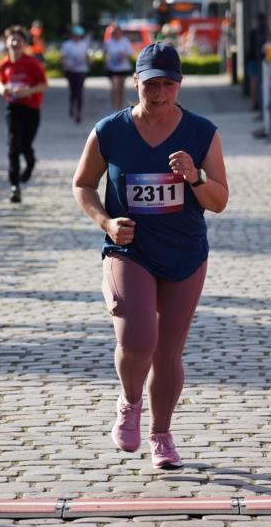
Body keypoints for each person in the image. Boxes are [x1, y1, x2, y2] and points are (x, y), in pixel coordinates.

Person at [72, 42, 229, 471]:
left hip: (185, 252)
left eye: (168, 85)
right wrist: (106, 221)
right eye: (151, 84)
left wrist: (195, 177)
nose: (159, 94)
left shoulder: (201, 132)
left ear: (178, 85)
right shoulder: (110, 130)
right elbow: (82, 184)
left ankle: (162, 434)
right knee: (139, 338)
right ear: (135, 81)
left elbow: (219, 201)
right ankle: (129, 403)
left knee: (168, 353)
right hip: (130, 249)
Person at [0, 27, 48, 204]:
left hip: (31, 109)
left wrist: (28, 91)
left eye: (19, 40)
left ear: (24, 44)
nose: (15, 43)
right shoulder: (4, 63)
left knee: (26, 145)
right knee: (13, 146)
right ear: (7, 42)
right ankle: (14, 186)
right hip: (13, 108)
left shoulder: (32, 63)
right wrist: (3, 89)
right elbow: (0, 81)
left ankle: (31, 164)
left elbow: (44, 85)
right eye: (12, 40)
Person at [61, 25, 90, 123]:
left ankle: (78, 112)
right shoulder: (67, 45)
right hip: (70, 71)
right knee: (73, 91)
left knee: (79, 91)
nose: (77, 37)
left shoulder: (84, 44)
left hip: (81, 70)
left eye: (78, 35)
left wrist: (86, 60)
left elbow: (87, 56)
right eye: (75, 35)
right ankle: (72, 109)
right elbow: (63, 58)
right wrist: (69, 64)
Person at [104, 25, 133, 111]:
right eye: (115, 33)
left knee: (121, 88)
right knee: (115, 88)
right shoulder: (108, 42)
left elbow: (130, 54)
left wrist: (123, 55)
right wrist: (106, 64)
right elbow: (105, 54)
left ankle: (120, 106)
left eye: (118, 32)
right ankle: (114, 107)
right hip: (113, 68)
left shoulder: (125, 41)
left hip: (123, 67)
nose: (117, 34)